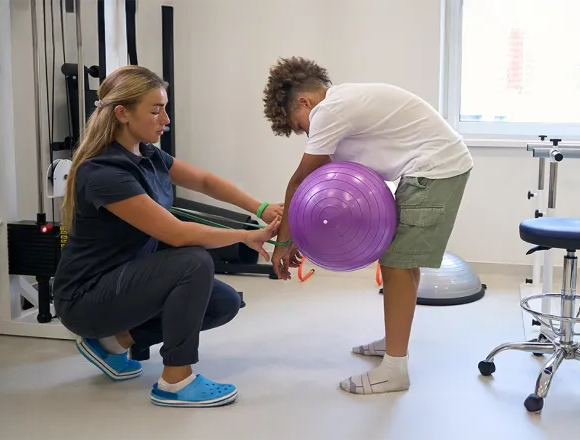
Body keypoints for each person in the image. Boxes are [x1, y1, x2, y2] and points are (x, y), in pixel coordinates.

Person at [53, 65, 283, 408]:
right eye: (156, 109)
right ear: (122, 114)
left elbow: (204, 181)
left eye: (165, 108)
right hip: (86, 298)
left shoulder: (147, 154)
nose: (166, 119)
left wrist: (259, 206)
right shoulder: (103, 172)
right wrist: (245, 235)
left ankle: (114, 342)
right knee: (192, 261)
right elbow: (176, 234)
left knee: (223, 303)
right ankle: (176, 380)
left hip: (124, 283)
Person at [261, 57, 473, 395]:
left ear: (305, 101)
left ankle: (394, 368)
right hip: (432, 167)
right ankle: (395, 341)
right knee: (402, 262)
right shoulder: (344, 105)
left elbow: (301, 180)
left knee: (396, 264)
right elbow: (323, 189)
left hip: (435, 169)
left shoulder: (328, 111)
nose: (305, 131)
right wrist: (298, 233)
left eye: (299, 125)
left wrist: (282, 245)